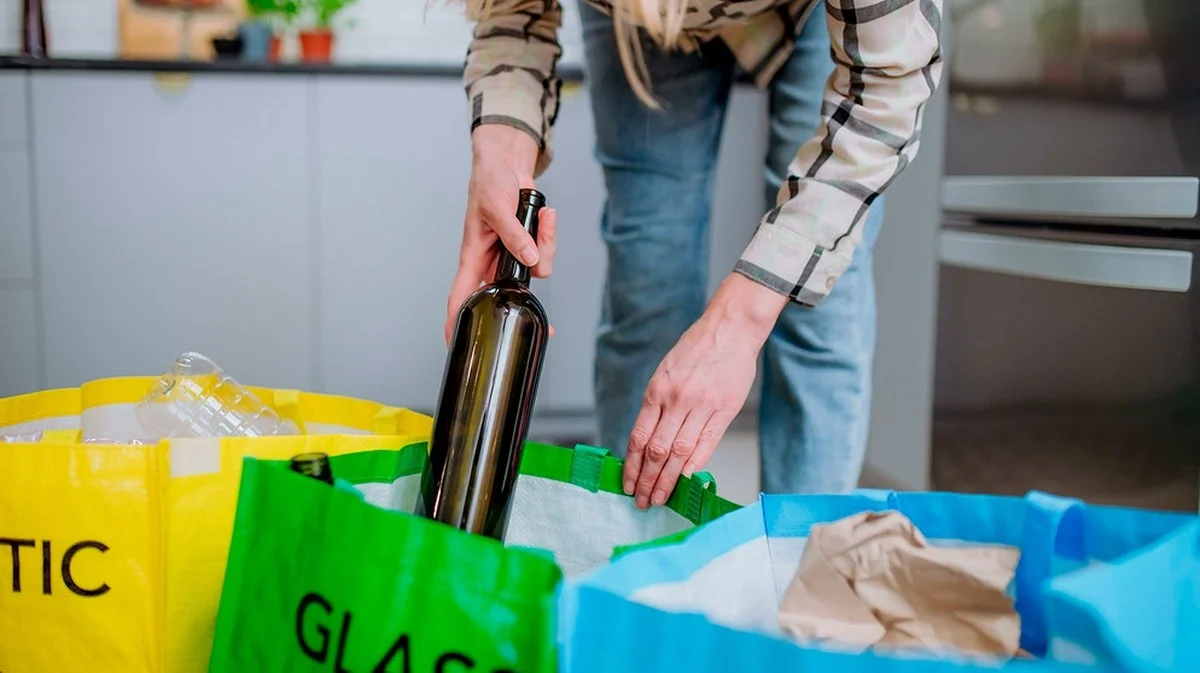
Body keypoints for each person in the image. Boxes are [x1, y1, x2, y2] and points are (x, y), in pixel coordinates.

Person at [446, 0, 944, 508]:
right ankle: (627, 554)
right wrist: (500, 160)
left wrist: (740, 320)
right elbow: (515, 14)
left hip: (822, 13)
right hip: (635, 21)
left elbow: (887, 85)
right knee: (648, 273)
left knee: (817, 297)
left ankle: (798, 560)